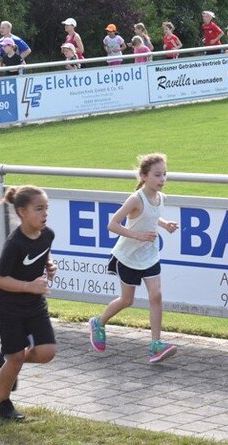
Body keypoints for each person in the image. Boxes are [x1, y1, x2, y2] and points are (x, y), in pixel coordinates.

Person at [89, 154, 180, 363]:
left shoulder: (160, 197)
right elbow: (112, 225)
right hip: (128, 257)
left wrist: (165, 224)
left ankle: (156, 345)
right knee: (127, 300)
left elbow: (152, 216)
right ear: (144, 176)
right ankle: (98, 323)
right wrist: (137, 235)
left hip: (150, 255)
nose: (162, 179)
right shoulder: (135, 199)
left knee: (156, 296)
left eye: (164, 174)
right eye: (157, 175)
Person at [0, 185, 58, 421]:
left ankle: (7, 359)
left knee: (47, 352)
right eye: (39, 209)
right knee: (16, 358)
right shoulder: (14, 243)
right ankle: (0, 404)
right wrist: (29, 286)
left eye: (46, 208)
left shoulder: (47, 234)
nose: (45, 213)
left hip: (34, 304)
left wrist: (49, 264)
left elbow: (42, 252)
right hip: (8, 308)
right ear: (22, 212)